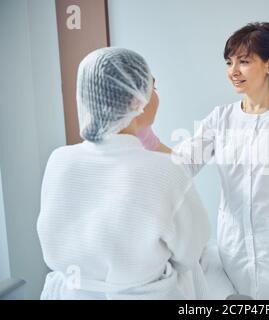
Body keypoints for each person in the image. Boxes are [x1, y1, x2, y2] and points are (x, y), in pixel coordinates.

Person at [152, 22, 269, 299]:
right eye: (229, 62)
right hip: (234, 250)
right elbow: (183, 162)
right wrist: (144, 137)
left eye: (243, 61)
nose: (233, 71)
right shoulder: (220, 118)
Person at [37, 47, 210, 299]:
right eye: (153, 87)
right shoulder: (166, 172)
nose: (157, 95)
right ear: (135, 100)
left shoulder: (59, 160)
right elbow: (192, 251)